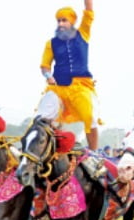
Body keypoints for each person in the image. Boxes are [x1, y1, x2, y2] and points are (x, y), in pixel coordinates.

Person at [38, 0, 101, 151]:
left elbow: (88, 10)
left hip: (81, 87)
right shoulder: (51, 43)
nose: (60, 24)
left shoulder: (83, 33)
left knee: (89, 118)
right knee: (41, 118)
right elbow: (45, 66)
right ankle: (37, 153)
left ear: (72, 21)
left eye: (64, 20)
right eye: (59, 21)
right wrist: (48, 76)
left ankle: (94, 153)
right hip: (58, 87)